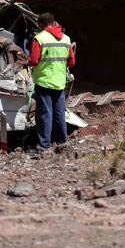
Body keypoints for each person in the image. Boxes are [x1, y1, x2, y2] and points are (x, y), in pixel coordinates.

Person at [28, 12, 76, 151]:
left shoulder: (39, 38)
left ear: (40, 24)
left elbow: (33, 60)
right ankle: (62, 142)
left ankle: (43, 145)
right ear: (53, 22)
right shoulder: (66, 39)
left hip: (44, 81)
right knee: (59, 113)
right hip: (59, 82)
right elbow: (71, 61)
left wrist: (26, 59)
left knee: (45, 113)